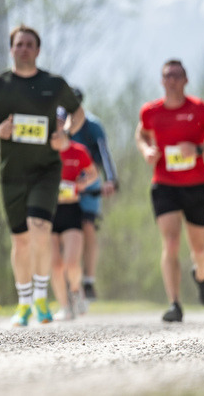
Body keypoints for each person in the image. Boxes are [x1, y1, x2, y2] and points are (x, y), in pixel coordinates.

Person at [0, 26, 85, 327]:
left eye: (29, 44)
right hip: (12, 173)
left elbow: (78, 114)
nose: (23, 48)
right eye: (19, 44)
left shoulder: (54, 83)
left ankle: (41, 298)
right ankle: (24, 304)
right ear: (12, 49)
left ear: (38, 50)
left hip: (46, 169)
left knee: (40, 229)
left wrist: (65, 135)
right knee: (21, 240)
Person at [135, 59, 204, 323]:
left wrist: (199, 149)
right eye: (167, 76)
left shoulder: (200, 109)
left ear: (186, 80)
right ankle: (174, 304)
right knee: (170, 243)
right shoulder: (150, 111)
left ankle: (200, 275)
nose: (171, 80)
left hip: (196, 186)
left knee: (200, 250)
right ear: (162, 81)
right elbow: (141, 134)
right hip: (164, 185)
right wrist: (147, 150)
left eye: (177, 75)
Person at [69, 88, 119, 301]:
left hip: (90, 184)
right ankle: (68, 280)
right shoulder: (59, 125)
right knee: (64, 230)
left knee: (87, 226)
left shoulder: (92, 126)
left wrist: (111, 180)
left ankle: (88, 280)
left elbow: (104, 153)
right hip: (65, 185)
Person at [50, 137, 98, 320]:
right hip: (49, 210)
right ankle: (64, 307)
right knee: (56, 265)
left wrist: (84, 183)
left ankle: (76, 291)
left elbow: (93, 173)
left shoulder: (78, 151)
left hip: (71, 209)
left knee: (71, 262)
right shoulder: (44, 151)